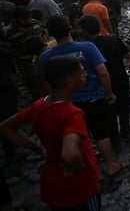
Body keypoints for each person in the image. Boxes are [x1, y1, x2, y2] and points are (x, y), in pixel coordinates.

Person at [0, 55, 101, 210]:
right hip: (80, 189)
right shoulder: (72, 114)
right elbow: (70, 154)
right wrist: (78, 167)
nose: (85, 75)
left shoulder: (39, 105)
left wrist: (38, 148)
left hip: (52, 184)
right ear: (68, 82)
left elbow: (5, 127)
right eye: (81, 73)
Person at [39, 16, 126, 177]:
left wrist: (51, 102)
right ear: (70, 28)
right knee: (101, 133)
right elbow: (102, 72)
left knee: (75, 135)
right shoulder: (87, 47)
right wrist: (109, 92)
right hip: (93, 97)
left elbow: (46, 84)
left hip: (65, 103)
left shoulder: (45, 57)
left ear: (50, 33)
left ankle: (81, 165)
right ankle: (110, 164)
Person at [79, 14, 130, 141]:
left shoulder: (85, 47)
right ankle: (126, 132)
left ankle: (114, 139)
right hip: (120, 79)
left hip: (100, 86)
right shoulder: (113, 39)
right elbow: (127, 54)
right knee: (124, 108)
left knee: (108, 113)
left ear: (85, 30)